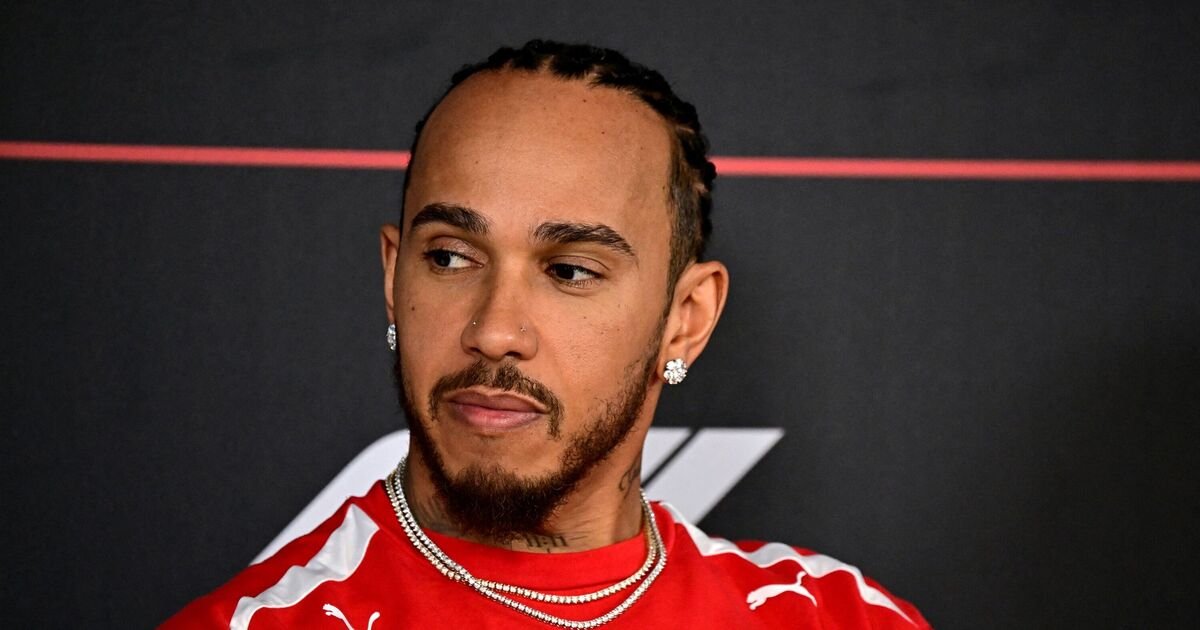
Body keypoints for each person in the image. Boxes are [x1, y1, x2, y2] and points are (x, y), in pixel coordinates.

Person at [164, 39, 930, 629]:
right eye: (451, 257)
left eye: (570, 271)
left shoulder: (835, 619)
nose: (495, 331)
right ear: (394, 278)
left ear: (685, 320)